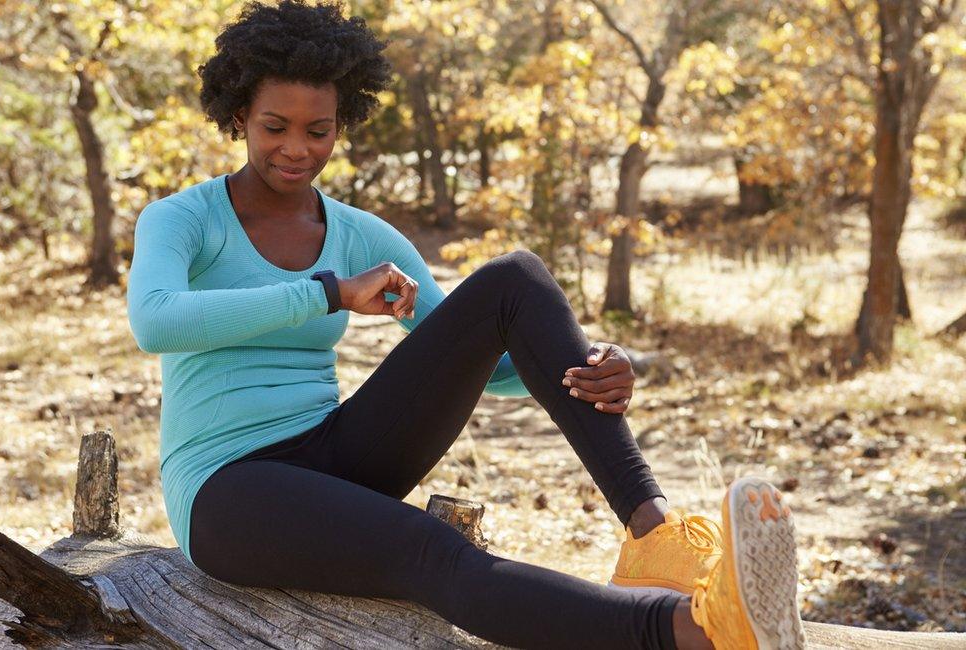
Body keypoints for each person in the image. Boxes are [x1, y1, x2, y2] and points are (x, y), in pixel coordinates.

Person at [125, 2, 806, 648]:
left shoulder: (360, 234)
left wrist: (587, 369)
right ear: (240, 115)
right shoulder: (183, 219)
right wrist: (328, 293)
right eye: (275, 127)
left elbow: (491, 366)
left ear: (343, 123)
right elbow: (155, 323)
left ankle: (653, 534)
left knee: (513, 282)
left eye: (318, 129)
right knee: (432, 553)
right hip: (228, 492)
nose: (297, 148)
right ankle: (693, 633)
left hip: (335, 457)